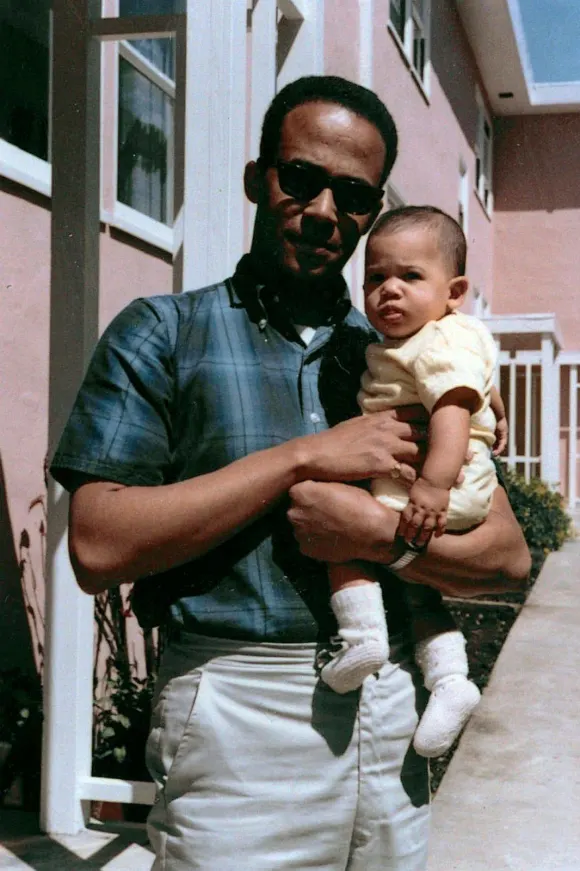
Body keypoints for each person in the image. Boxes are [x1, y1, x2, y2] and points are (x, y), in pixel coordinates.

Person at [50, 76, 530, 871]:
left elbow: (507, 559)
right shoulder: (166, 334)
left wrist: (382, 537)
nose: (323, 211)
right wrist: (302, 459)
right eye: (300, 179)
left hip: (391, 716)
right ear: (257, 178)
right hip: (239, 717)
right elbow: (96, 547)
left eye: (352, 194)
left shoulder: (405, 356)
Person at [320, 205, 508, 760]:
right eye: (376, 278)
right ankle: (451, 681)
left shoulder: (435, 343)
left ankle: (362, 638)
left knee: (334, 520)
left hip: (435, 478)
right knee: (418, 589)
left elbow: (451, 414)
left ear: (454, 291)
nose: (389, 291)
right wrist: (496, 408)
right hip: (453, 477)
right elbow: (480, 391)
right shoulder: (456, 336)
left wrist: (430, 488)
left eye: (410, 277)